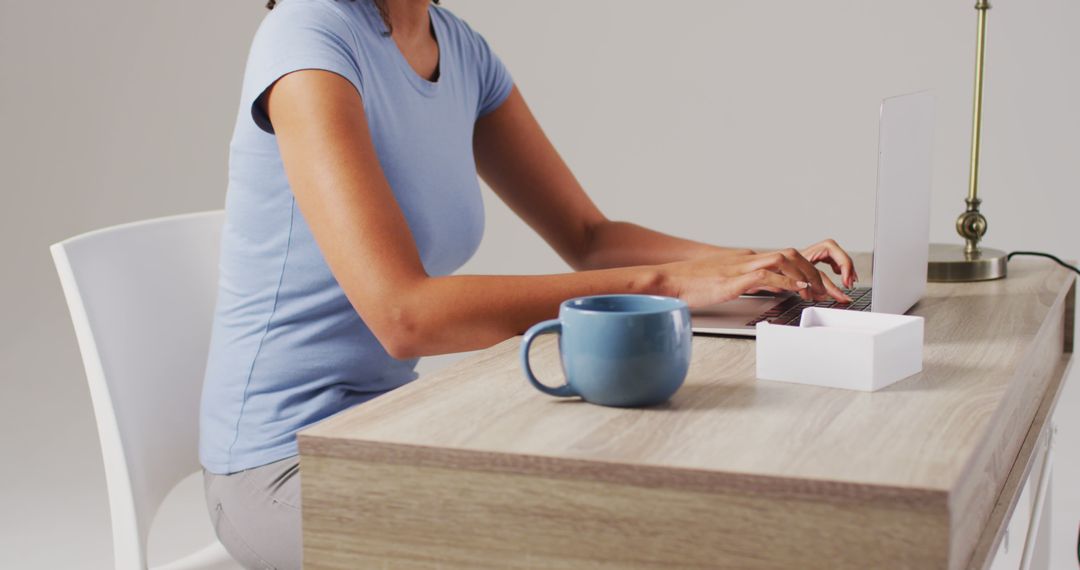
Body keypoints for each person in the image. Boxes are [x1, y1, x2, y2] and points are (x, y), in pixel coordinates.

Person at [199, 0, 858, 567]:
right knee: (556, 535)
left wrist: (758, 263)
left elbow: (588, 236)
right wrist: (669, 283)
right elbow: (404, 316)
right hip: (279, 468)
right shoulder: (307, 41)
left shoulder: (457, 50)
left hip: (387, 427)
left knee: (625, 496)